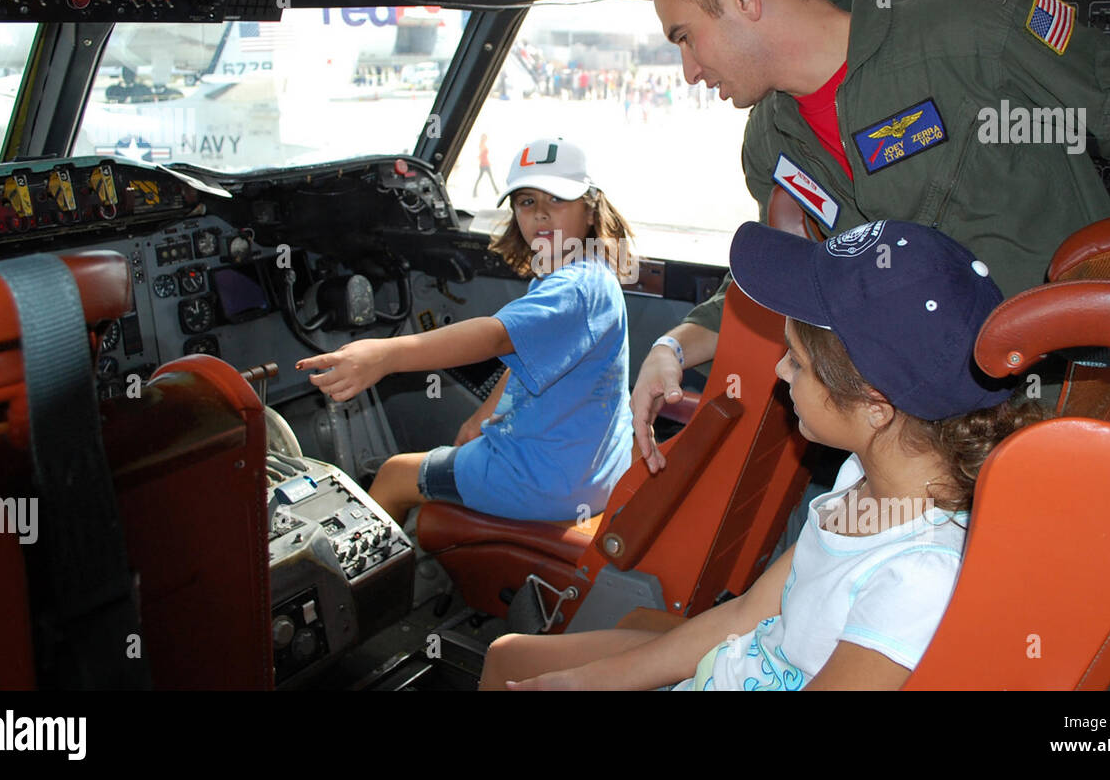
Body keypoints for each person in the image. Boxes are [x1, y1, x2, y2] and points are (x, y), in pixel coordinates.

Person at [631, 0, 1110, 472]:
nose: (687, 70)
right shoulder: (772, 143)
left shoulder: (974, 36)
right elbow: (802, 272)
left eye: (685, 36)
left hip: (1077, 414)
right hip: (933, 449)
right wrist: (675, 347)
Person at [480, 219, 1044, 690]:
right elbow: (748, 616)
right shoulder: (862, 480)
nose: (779, 371)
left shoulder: (917, 578)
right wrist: (584, 682)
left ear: (875, 406)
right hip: (726, 668)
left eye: (796, 361)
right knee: (510, 657)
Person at [297, 137, 636, 526]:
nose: (540, 215)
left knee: (393, 475)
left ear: (591, 210)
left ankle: (364, 585)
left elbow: (496, 337)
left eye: (556, 200)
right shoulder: (588, 274)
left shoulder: (572, 290)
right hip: (595, 469)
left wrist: (385, 356)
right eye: (527, 202)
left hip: (547, 482)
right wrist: (481, 418)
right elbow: (529, 357)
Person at [472, 133, 497, 198]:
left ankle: (496, 191)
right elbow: (481, 153)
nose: (486, 139)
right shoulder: (482, 144)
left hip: (485, 164)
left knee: (488, 178)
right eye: (485, 138)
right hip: (484, 164)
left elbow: (481, 154)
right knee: (484, 178)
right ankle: (496, 191)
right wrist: (481, 159)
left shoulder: (483, 144)